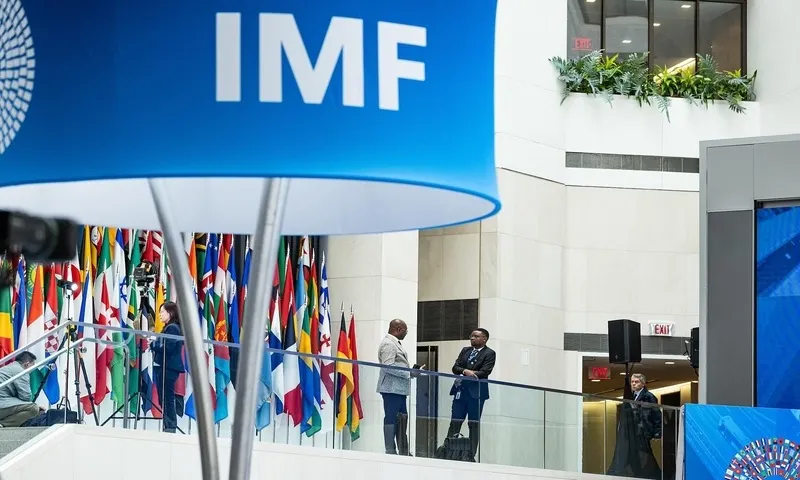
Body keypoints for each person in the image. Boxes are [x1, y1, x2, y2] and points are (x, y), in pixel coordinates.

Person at [446, 328, 496, 461]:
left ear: (484, 339)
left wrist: (469, 373)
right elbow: (455, 368)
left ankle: (470, 454)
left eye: (476, 336)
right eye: (471, 336)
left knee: (473, 424)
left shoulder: (489, 353)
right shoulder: (465, 350)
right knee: (455, 422)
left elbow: (485, 371)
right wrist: (465, 371)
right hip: (460, 391)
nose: (472, 338)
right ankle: (449, 451)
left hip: (476, 394)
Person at [377, 319, 424, 455]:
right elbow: (387, 366)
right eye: (405, 331)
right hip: (391, 388)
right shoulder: (389, 344)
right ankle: (390, 449)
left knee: (403, 419)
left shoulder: (395, 343)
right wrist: (409, 373)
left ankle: (403, 450)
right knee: (391, 418)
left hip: (399, 389)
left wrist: (412, 372)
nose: (406, 333)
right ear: (398, 329)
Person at [607, 373, 662, 479]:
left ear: (643, 383)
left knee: (644, 455)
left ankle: (653, 475)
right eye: (632, 382)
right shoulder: (631, 396)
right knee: (633, 455)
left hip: (643, 431)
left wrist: (657, 432)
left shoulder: (649, 396)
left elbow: (656, 415)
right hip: (633, 431)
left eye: (636, 382)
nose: (633, 384)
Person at [150, 301, 184, 433]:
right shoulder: (170, 327)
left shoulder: (173, 328)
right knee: (164, 397)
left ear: (170, 313)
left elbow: (168, 348)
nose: (159, 315)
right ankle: (168, 425)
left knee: (167, 398)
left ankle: (170, 426)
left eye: (162, 312)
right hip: (165, 367)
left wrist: (153, 344)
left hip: (168, 367)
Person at [0, 351, 41, 427]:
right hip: (2, 405)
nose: (32, 371)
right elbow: (26, 397)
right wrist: (37, 406)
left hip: (3, 402)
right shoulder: (21, 371)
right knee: (33, 408)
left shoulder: (8, 368)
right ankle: (3, 424)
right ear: (27, 364)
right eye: (32, 367)